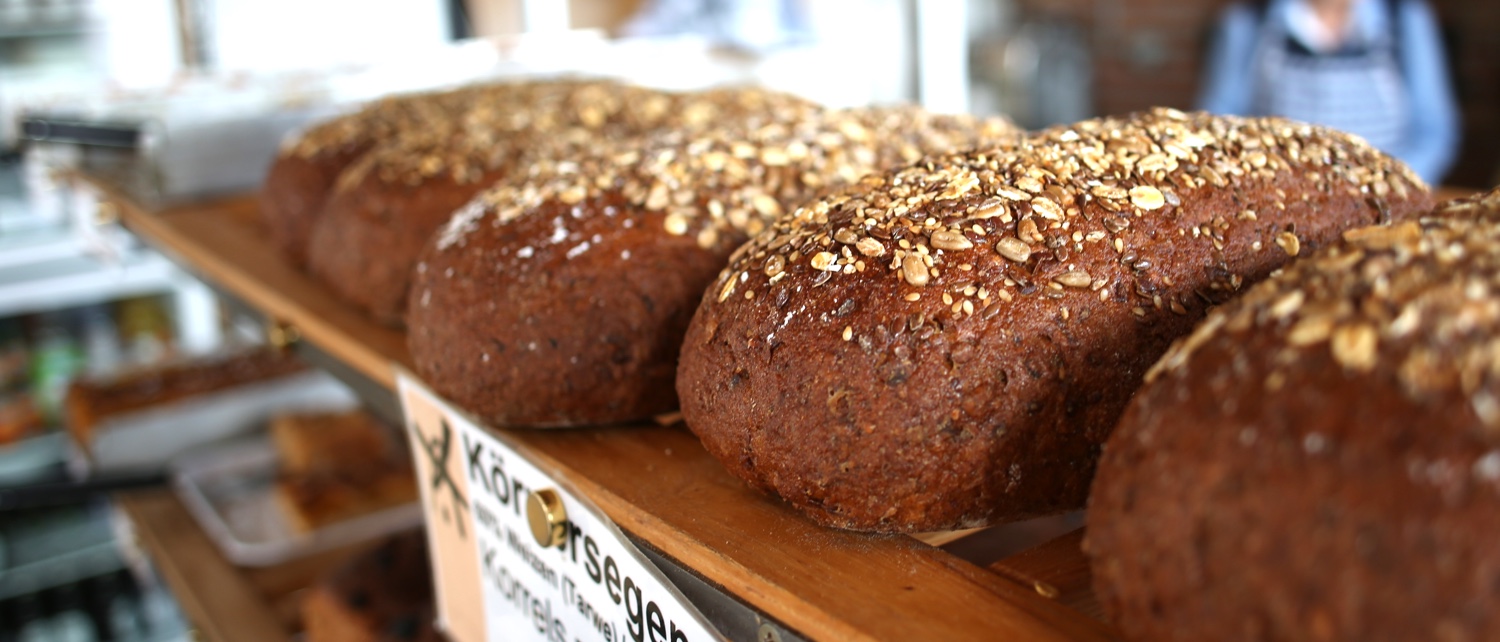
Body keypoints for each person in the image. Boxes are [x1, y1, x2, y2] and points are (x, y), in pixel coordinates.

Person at [1197, 0, 1459, 184]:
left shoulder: (1405, 18)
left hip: (1387, 203)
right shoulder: (1249, 23)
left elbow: (1434, 129)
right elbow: (1217, 122)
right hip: (1280, 204)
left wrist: (1393, 184)